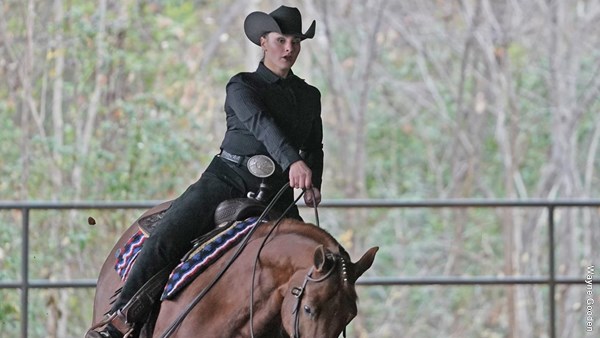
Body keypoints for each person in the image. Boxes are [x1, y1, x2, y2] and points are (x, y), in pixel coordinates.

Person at [86, 5, 323, 338]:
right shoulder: (243, 86)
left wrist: (314, 181)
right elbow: (262, 126)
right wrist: (292, 162)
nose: (289, 49)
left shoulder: (310, 96)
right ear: (263, 41)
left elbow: (314, 145)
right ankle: (121, 320)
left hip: (277, 193)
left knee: (310, 263)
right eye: (281, 40)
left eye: (295, 41)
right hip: (227, 179)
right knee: (168, 236)